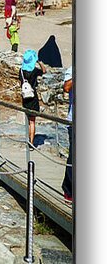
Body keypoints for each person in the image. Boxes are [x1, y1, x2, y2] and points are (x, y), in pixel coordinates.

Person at [19, 49, 47, 145]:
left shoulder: (21, 71)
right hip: (33, 97)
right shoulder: (34, 71)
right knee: (32, 122)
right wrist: (39, 61)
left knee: (27, 120)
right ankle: (31, 142)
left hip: (24, 97)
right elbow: (44, 71)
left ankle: (27, 139)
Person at [62, 66, 73, 204]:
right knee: (74, 157)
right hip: (74, 122)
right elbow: (67, 87)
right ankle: (69, 190)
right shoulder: (72, 69)